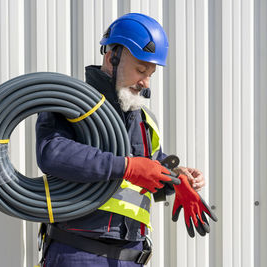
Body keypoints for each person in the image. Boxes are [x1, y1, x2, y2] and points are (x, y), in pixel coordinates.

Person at [35, 13, 206, 267]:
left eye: (150, 73)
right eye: (140, 69)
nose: (145, 83)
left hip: (132, 256)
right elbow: (52, 153)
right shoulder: (70, 103)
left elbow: (148, 170)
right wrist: (126, 167)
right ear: (111, 57)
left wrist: (176, 177)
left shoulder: (145, 121)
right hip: (79, 253)